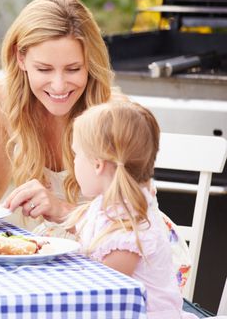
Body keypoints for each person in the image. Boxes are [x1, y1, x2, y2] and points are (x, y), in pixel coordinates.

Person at [0, 0, 114, 230]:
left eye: (73, 69)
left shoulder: (113, 115)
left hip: (112, 253)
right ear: (20, 57)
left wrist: (61, 210)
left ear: (90, 63)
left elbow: (131, 224)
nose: (59, 85)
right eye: (44, 69)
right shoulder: (7, 97)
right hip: (50, 248)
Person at [63, 100, 196, 319]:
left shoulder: (130, 230)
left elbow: (101, 295)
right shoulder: (109, 204)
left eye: (76, 154)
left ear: (98, 165)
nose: (73, 162)